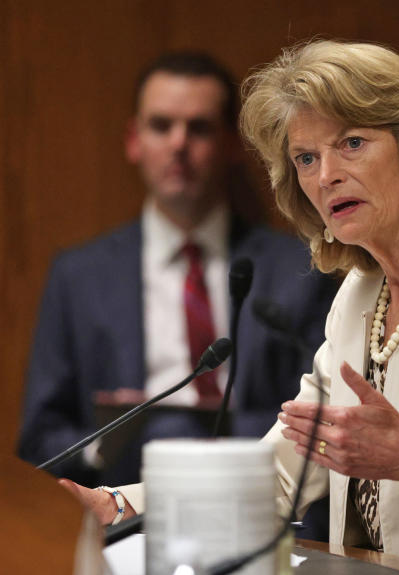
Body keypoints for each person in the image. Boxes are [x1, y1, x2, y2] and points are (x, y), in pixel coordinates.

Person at [63, 39, 399, 573]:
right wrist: (120, 504)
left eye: (351, 142)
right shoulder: (359, 292)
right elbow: (283, 474)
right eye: (306, 157)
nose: (326, 175)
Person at [18, 52, 338, 491]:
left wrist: (197, 439)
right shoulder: (78, 275)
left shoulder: (301, 268)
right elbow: (40, 438)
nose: (178, 144)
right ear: (134, 140)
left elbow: (320, 416)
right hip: (120, 503)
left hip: (259, 495)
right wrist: (105, 445)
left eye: (199, 127)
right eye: (161, 125)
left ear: (230, 144)